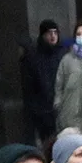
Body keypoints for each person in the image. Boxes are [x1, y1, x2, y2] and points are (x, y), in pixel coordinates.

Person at [20, 20, 63, 150]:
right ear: (43, 35)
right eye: (49, 33)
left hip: (61, 106)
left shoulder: (63, 54)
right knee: (48, 144)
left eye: (55, 32)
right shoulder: (33, 57)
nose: (53, 36)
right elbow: (29, 87)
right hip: (42, 109)